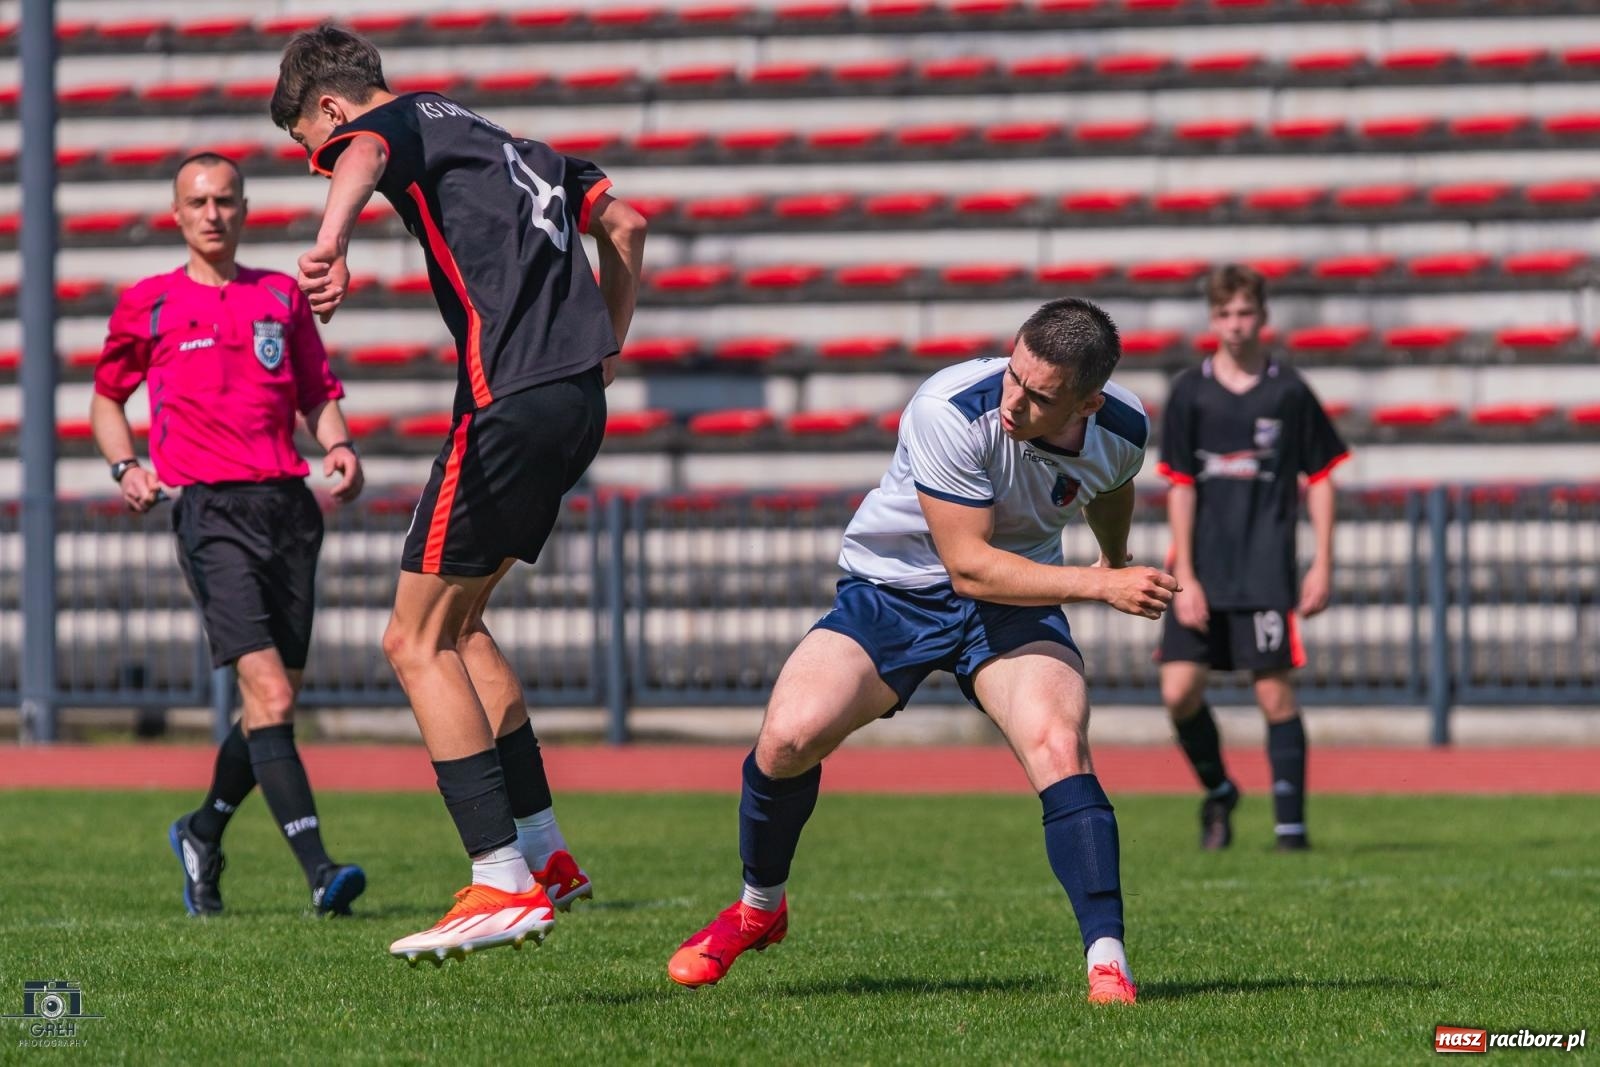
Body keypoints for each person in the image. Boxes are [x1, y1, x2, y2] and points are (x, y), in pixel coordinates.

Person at [665, 298, 1178, 1004]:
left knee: (1059, 744)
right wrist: (1098, 583)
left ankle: (1107, 959)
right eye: (1015, 376)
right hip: (895, 591)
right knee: (787, 738)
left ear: (1088, 401)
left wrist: (1115, 556)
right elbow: (968, 566)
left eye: (1040, 396)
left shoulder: (1123, 427)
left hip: (1012, 602)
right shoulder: (950, 407)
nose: (1014, 403)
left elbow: (1109, 485)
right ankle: (759, 906)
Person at [270, 24, 648, 964]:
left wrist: (331, 239)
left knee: (412, 639)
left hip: (511, 401)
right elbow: (628, 225)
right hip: (569, 402)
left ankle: (499, 879)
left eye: (313, 155)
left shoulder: (386, 125)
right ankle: (546, 853)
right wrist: (606, 342)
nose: (327, 168)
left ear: (328, 108)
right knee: (464, 626)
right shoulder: (516, 142)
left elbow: (364, 147)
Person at [91, 152, 367, 918]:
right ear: (177, 215)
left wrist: (339, 447)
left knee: (269, 708)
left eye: (225, 200)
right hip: (211, 515)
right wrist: (125, 467)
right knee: (271, 693)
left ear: (244, 210)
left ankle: (202, 829)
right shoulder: (147, 305)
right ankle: (320, 871)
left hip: (290, 512)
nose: (213, 213)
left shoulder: (280, 295)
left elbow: (317, 395)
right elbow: (107, 401)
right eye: (198, 201)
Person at [1156, 265, 1348, 851]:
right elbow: (1181, 483)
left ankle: (1291, 830)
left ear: (1262, 318)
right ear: (1212, 321)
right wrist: (1183, 575)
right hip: (1201, 569)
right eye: (1224, 315)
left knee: (1273, 694)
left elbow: (1320, 477)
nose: (1235, 325)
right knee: (1178, 693)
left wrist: (1323, 561)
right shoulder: (1190, 391)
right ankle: (1219, 790)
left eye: (1245, 313)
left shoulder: (1288, 390)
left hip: (1265, 567)